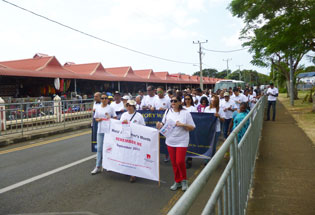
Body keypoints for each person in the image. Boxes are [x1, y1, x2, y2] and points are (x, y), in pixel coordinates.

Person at [156, 95, 195, 191]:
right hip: (170, 141)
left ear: (180, 102)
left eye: (175, 100)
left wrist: (183, 124)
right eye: (171, 101)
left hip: (182, 140)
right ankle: (177, 181)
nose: (173, 102)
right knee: (174, 163)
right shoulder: (167, 111)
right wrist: (159, 125)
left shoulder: (185, 113)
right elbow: (163, 124)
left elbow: (192, 127)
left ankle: (184, 180)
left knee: (180, 161)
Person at [120, 100, 146, 182]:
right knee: (127, 154)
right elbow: (119, 126)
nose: (128, 107)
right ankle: (128, 169)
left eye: (130, 105)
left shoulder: (139, 116)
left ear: (134, 106)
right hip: (126, 138)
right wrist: (123, 123)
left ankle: (133, 174)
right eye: (127, 105)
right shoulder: (124, 115)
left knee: (134, 155)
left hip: (135, 139)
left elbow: (143, 127)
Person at [91, 93, 117, 175]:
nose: (104, 100)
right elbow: (95, 117)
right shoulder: (98, 108)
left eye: (105, 98)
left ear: (108, 100)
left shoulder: (111, 108)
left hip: (108, 131)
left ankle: (108, 165)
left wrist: (110, 118)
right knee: (99, 148)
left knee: (108, 148)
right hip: (100, 130)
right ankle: (98, 166)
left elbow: (115, 118)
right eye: (102, 98)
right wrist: (98, 119)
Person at [205, 95, 225, 160]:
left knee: (213, 146)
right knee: (207, 144)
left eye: (214, 101)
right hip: (208, 129)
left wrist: (218, 116)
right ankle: (206, 158)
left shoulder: (220, 109)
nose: (212, 102)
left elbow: (223, 120)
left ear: (217, 101)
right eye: (212, 100)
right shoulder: (207, 108)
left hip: (216, 130)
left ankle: (211, 159)